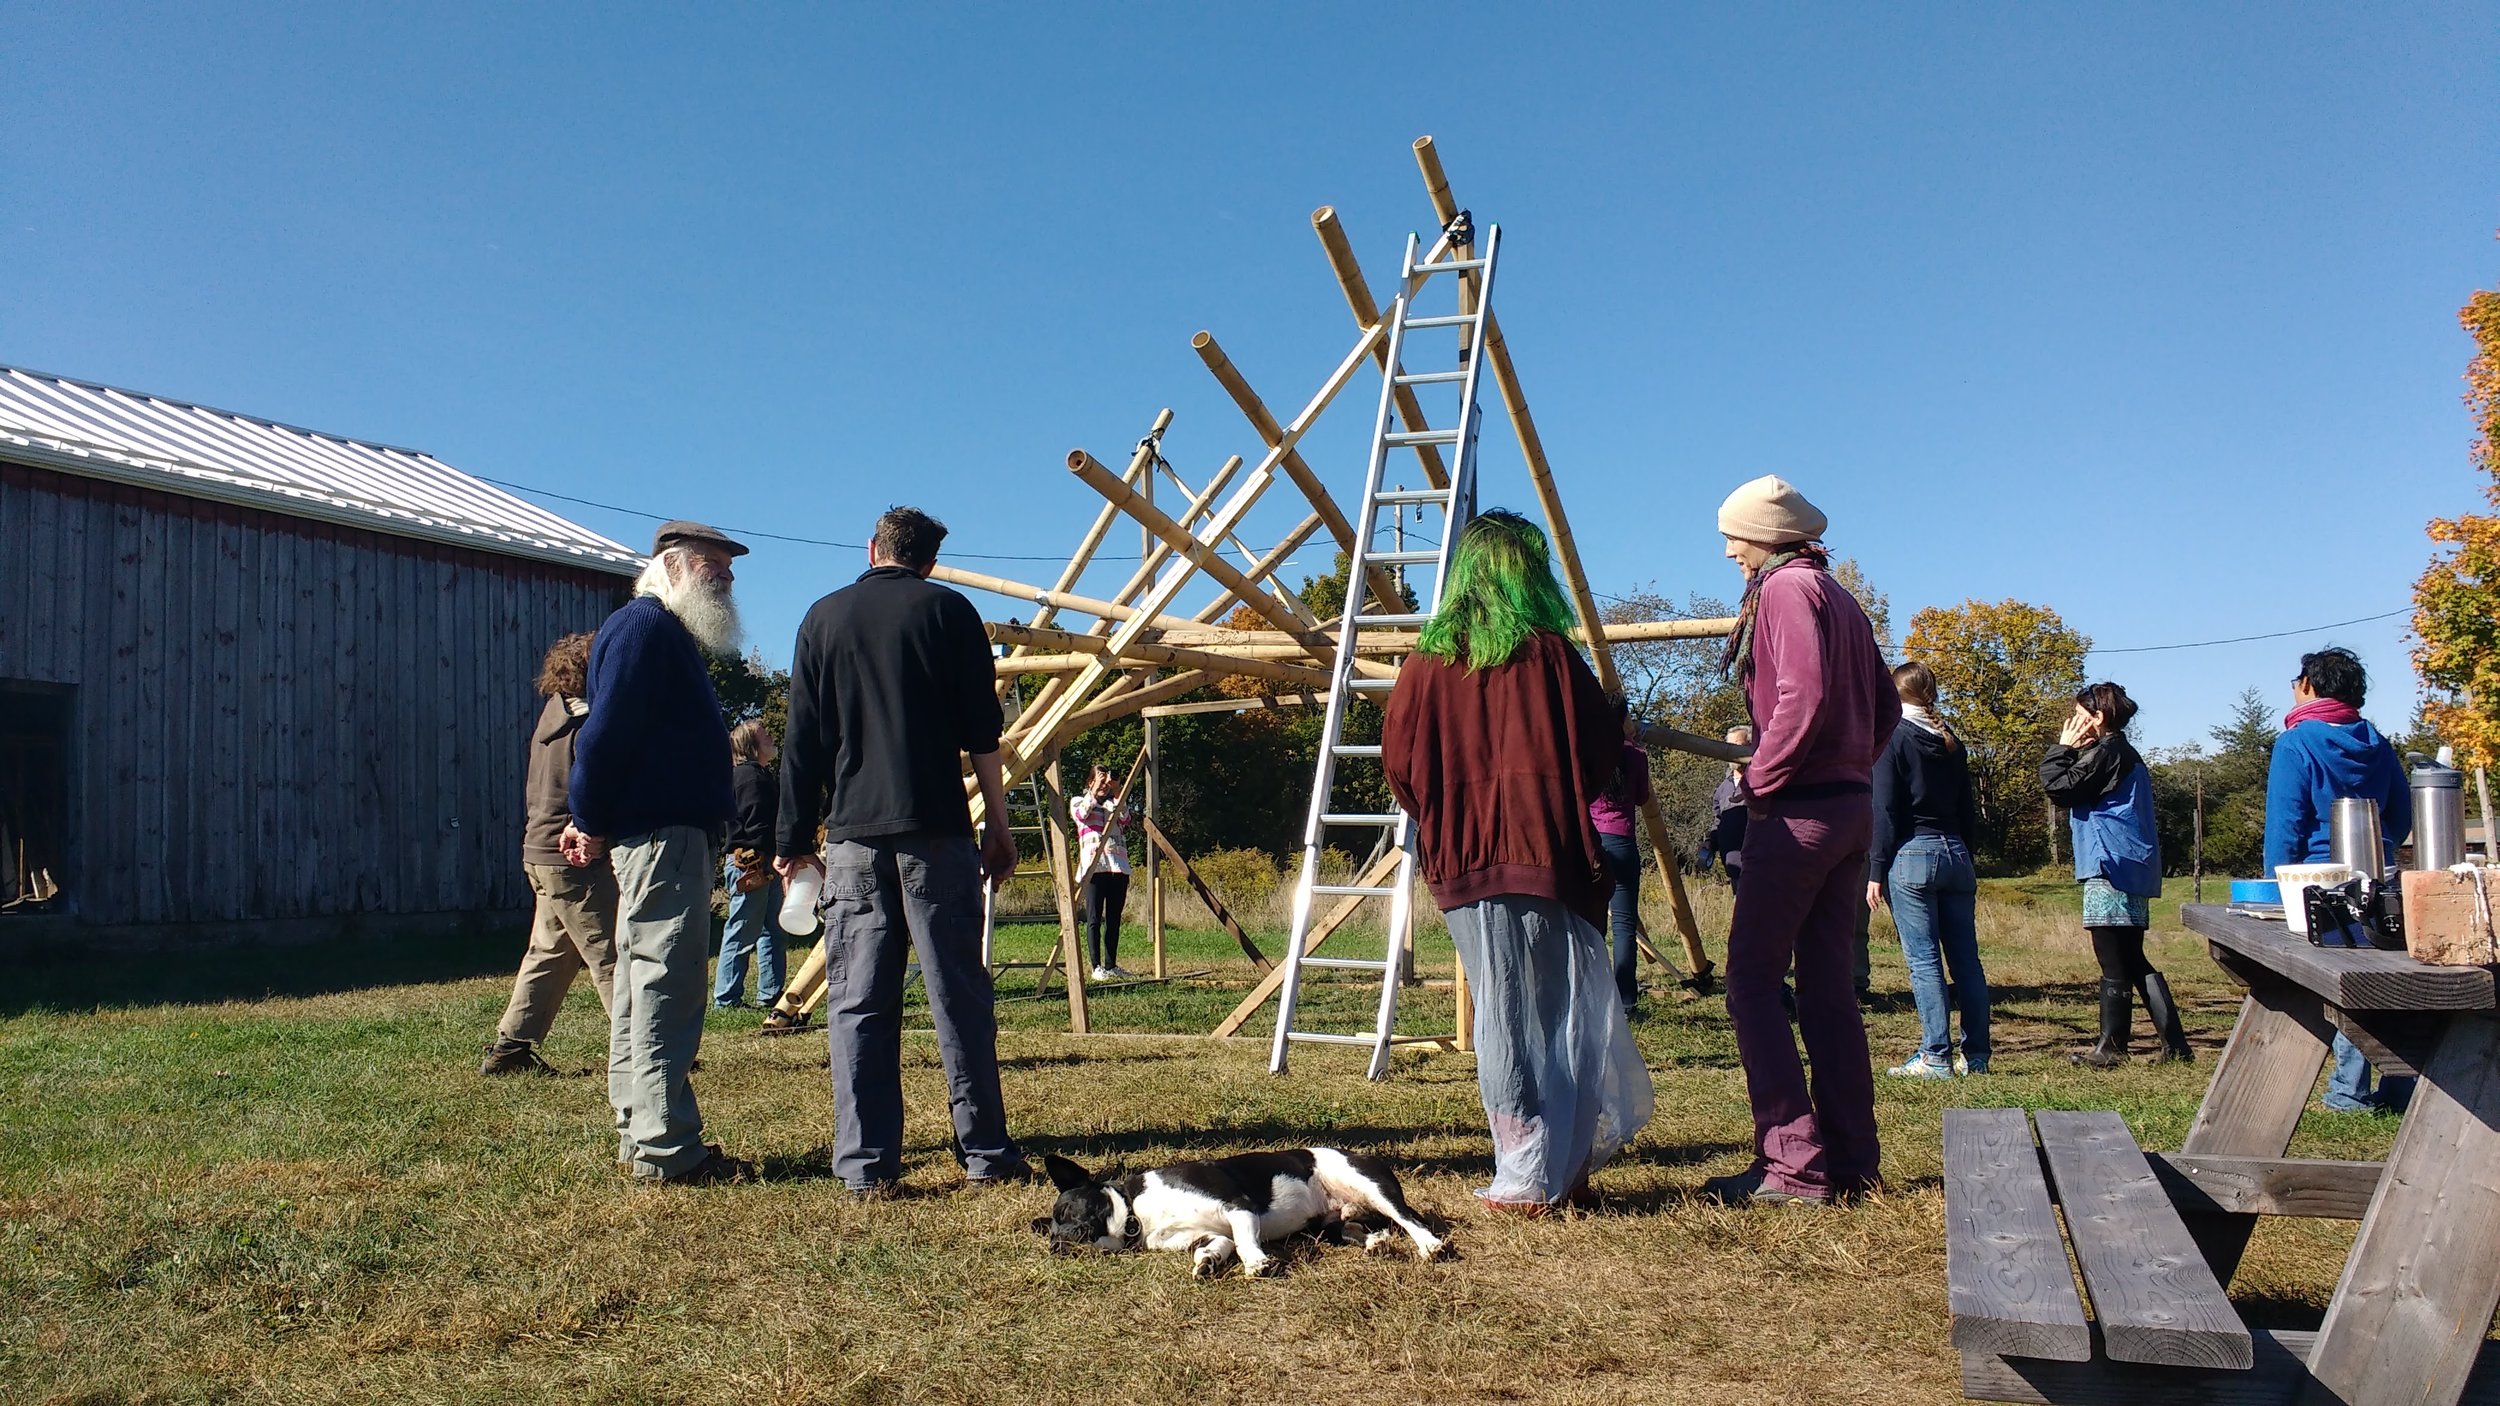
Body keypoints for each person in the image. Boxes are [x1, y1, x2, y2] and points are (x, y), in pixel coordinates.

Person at [1383, 510, 1654, 1213]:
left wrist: (1449, 814)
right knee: (1562, 1013)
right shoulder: (1553, 659)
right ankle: (1566, 1170)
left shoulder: (1424, 665)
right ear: (1530, 573)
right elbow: (1601, 762)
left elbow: (1401, 770)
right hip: (1550, 854)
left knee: (1500, 1014)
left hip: (1466, 862)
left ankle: (1525, 1172)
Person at [776, 506, 1029, 1197]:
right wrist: (998, 827)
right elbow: (983, 737)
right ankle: (984, 1153)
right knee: (956, 993)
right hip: (937, 831)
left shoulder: (822, 618)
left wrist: (793, 841)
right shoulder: (951, 614)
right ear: (930, 563)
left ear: (872, 548)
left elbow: (801, 741)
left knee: (857, 1000)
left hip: (853, 834)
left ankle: (865, 1167)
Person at [1699, 476, 1897, 1208]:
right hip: (1848, 810)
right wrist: (1851, 767)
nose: (1728, 551)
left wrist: (1764, 781)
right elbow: (1883, 707)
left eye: (1734, 536)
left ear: (1763, 535)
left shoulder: (1784, 592)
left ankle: (1792, 1166)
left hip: (1800, 811)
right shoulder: (1839, 595)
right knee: (1827, 991)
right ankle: (1851, 1158)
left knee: (1751, 981)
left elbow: (1801, 696)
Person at [567, 521, 752, 1185]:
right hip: (664, 838)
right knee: (663, 990)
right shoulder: (644, 630)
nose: (726, 578)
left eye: (729, 568)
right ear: (672, 566)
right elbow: (603, 736)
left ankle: (644, 1136)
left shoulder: (661, 635)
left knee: (645, 990)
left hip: (666, 838)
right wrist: (586, 815)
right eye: (713, 566)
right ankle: (668, 1149)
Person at [2263, 647, 2414, 1113]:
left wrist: (2275, 884)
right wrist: (2382, 848)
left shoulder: (2296, 742)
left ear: (2308, 685)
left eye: (2296, 680)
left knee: (2333, 984)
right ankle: (2400, 1085)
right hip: (2380, 872)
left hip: (2316, 877)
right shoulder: (2375, 739)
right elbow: (2402, 814)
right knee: (2378, 976)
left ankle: (2348, 1091)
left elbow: (2285, 823)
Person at [481, 632, 619, 1076]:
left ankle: (511, 1049)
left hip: (538, 853)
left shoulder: (551, 719)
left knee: (550, 950)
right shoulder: (585, 725)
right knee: (611, 953)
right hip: (572, 857)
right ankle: (647, 1052)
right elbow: (593, 789)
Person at [2039, 681, 2183, 1067]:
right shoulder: (2122, 752)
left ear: (2099, 718)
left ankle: (2112, 1048)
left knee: (2113, 958)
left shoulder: (2107, 752)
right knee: (2133, 957)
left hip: (2110, 863)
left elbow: (2059, 788)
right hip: (2129, 862)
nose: (2074, 724)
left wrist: (2062, 748)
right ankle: (2176, 1045)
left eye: (2080, 717)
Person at [1868, 662, 1988, 1079]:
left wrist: (1875, 869)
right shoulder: (1950, 739)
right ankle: (1977, 1057)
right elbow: (1968, 809)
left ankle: (1936, 1055)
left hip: (1913, 852)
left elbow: (1883, 810)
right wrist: (1966, 855)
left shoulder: (1892, 738)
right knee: (1966, 961)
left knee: (1924, 961)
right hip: (1956, 852)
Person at [715, 720, 787, 1010]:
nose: (771, 738)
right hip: (754, 863)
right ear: (751, 745)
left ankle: (769, 994)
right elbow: (758, 823)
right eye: (765, 736)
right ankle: (727, 998)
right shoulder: (752, 778)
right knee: (745, 929)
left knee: (769, 928)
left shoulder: (743, 776)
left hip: (756, 862)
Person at [1588, 695, 1653, 1012]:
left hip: (1593, 844)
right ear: (1622, 720)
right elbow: (1642, 798)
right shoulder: (1635, 755)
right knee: (1624, 925)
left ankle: (1595, 998)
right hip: (1623, 842)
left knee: (1592, 922)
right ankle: (1626, 1000)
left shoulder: (1588, 753)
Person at [1072, 763, 1135, 982]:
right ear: (1090, 782)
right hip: (1094, 868)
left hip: (1117, 867)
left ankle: (1111, 964)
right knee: (1094, 918)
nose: (1103, 785)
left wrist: (1117, 791)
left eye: (1105, 781)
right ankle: (1096, 965)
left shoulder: (1112, 805)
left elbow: (1126, 819)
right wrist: (1095, 789)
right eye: (1098, 779)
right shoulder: (1078, 801)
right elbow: (1082, 814)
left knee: (1114, 919)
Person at [1699, 726, 1753, 886]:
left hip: (1760, 869)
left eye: (1738, 746)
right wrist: (1710, 842)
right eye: (1729, 746)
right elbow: (1719, 821)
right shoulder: (1723, 788)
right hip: (1734, 872)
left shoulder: (1761, 782)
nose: (1732, 752)